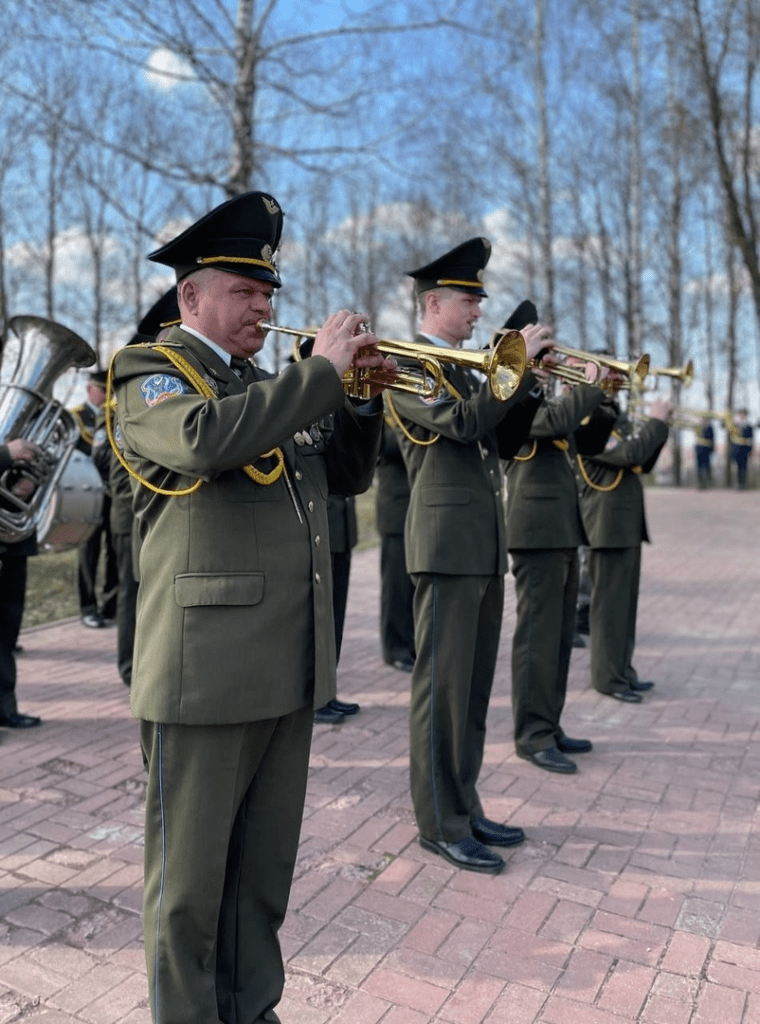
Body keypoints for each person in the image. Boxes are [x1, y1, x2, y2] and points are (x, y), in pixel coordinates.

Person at [109, 190, 389, 1024]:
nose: (263, 308)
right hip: (205, 675)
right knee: (189, 891)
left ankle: (250, 1007)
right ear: (192, 296)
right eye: (244, 291)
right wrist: (320, 375)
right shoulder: (149, 373)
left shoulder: (268, 385)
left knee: (260, 878)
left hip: (285, 666)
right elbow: (201, 442)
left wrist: (362, 400)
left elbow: (342, 479)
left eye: (268, 294)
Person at [387, 239, 551, 874]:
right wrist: (507, 376)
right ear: (433, 302)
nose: (479, 312)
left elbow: (502, 438)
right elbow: (458, 425)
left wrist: (525, 382)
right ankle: (439, 823)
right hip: (445, 545)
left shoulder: (462, 366)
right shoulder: (405, 363)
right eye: (468, 300)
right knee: (443, 689)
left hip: (480, 544)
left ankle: (466, 802)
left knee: (474, 689)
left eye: (480, 300)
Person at [505, 336, 610, 775]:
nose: (550, 364)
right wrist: (587, 387)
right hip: (535, 532)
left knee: (560, 638)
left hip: (563, 528)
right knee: (537, 639)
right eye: (542, 357)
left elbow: (589, 442)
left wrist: (603, 398)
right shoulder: (512, 396)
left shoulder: (545, 398)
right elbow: (550, 423)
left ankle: (550, 723)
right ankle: (532, 735)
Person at [576, 397, 670, 702]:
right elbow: (629, 454)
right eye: (612, 375)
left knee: (624, 608)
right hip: (606, 526)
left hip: (623, 525)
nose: (619, 384)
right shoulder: (589, 422)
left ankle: (621, 670)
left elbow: (643, 461)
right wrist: (655, 421)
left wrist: (661, 426)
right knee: (607, 610)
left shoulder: (616, 420)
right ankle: (607, 678)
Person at [0, 437, 44, 728]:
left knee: (6, 630)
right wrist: (5, 454)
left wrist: (28, 485)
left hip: (12, 536)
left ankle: (5, 708)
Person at [71, 369, 118, 628]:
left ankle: (110, 606)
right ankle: (88, 608)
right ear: (90, 388)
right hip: (87, 493)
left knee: (114, 549)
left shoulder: (113, 413)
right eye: (103, 389)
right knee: (88, 553)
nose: (107, 394)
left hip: (111, 493)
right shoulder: (76, 417)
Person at [313, 492, 362, 724]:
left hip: (340, 528)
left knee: (336, 620)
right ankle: (315, 699)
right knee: (320, 621)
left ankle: (328, 692)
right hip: (323, 528)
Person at [375, 418, 416, 672]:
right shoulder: (384, 409)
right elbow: (386, 446)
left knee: (413, 586)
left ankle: (411, 643)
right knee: (396, 587)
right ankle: (395, 649)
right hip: (396, 510)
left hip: (414, 508)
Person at [730, 408, 753, 489]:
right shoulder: (735, 426)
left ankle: (743, 484)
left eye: (744, 414)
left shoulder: (749, 426)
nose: (742, 416)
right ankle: (738, 483)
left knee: (743, 467)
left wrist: (750, 451)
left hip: (745, 449)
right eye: (740, 414)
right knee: (737, 467)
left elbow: (750, 439)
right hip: (736, 449)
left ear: (746, 416)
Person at [694, 418, 714, 489]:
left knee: (707, 466)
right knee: (699, 466)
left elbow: (712, 439)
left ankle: (708, 482)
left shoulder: (710, 427)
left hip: (706, 449)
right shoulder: (697, 427)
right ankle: (700, 483)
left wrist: (712, 450)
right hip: (699, 449)